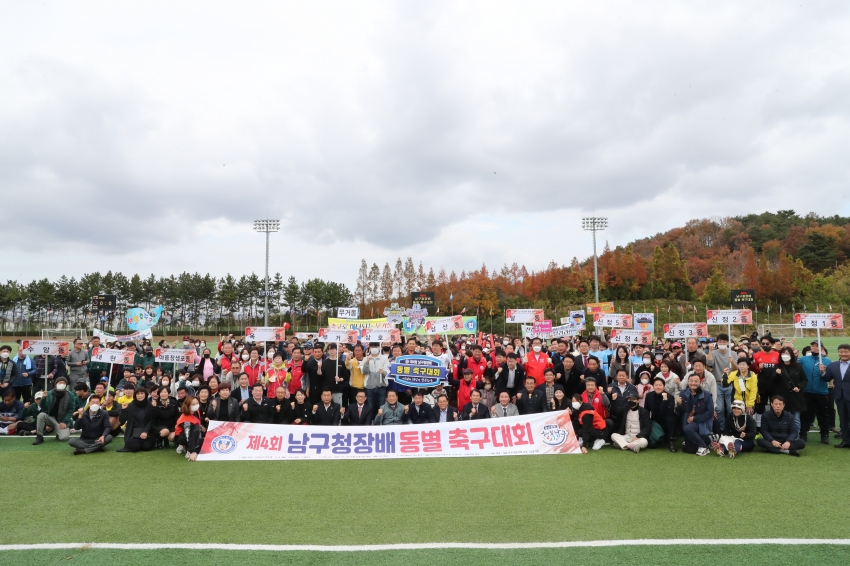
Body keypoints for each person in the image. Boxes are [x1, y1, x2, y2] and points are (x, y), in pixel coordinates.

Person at [765, 347, 807, 433]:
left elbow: (804, 379)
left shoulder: (798, 366)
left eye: (787, 353)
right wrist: (777, 374)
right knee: (782, 419)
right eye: (783, 353)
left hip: (795, 396)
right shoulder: (777, 367)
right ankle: (783, 436)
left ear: (791, 355)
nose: (785, 355)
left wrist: (798, 387)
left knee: (796, 419)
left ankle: (795, 437)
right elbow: (773, 381)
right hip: (782, 397)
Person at [677, 373, 715, 456]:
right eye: (691, 381)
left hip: (702, 421)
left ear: (700, 382)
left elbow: (709, 413)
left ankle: (704, 446)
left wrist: (695, 418)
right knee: (689, 449)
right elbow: (681, 411)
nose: (693, 383)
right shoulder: (683, 393)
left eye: (696, 381)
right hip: (688, 420)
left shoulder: (707, 395)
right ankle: (707, 440)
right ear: (688, 382)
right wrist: (679, 404)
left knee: (687, 429)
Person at [32, 377, 75, 445]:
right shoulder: (49, 393)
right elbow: (43, 407)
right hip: (51, 418)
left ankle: (58, 432)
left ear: (66, 385)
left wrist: (64, 422)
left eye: (64, 383)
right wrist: (43, 398)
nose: (62, 384)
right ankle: (39, 436)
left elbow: (71, 409)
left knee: (64, 438)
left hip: (62, 420)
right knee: (41, 415)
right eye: (60, 382)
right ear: (55, 384)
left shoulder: (70, 395)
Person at [824, 343, 850, 448]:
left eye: (846, 352)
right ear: (838, 352)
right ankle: (846, 441)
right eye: (841, 352)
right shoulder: (833, 365)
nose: (843, 354)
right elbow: (827, 378)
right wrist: (822, 372)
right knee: (843, 420)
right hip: (839, 397)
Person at [706, 334, 735, 428]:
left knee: (731, 408)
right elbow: (709, 363)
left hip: (730, 384)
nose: (722, 343)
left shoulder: (733, 353)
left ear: (727, 342)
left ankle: (731, 426)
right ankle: (722, 427)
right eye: (720, 341)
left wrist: (732, 362)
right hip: (717, 384)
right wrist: (710, 351)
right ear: (717, 342)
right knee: (719, 408)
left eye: (724, 341)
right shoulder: (714, 353)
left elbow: (736, 369)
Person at [643, 377, 677, 451]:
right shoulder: (649, 396)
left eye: (660, 385)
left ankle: (671, 441)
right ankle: (660, 438)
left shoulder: (670, 397)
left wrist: (665, 400)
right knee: (651, 445)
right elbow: (646, 411)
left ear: (664, 386)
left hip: (667, 424)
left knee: (671, 418)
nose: (658, 387)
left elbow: (670, 412)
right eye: (656, 385)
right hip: (655, 423)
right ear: (653, 386)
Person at [117, 387, 155, 452]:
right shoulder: (131, 405)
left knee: (147, 447)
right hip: (132, 433)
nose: (139, 395)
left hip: (147, 432)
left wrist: (145, 432)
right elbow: (122, 420)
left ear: (145, 394)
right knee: (135, 447)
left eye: (141, 393)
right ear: (135, 395)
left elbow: (152, 420)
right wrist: (123, 410)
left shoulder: (150, 405)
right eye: (137, 394)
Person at [175, 396, 203, 461]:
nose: (196, 405)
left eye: (197, 403)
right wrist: (191, 451)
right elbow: (188, 435)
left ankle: (184, 446)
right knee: (195, 429)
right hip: (182, 437)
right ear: (188, 405)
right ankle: (187, 449)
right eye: (193, 404)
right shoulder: (186, 420)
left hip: (193, 432)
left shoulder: (196, 411)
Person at [363, 343, 389, 411]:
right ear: (370, 348)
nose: (374, 348)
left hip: (381, 387)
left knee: (381, 407)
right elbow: (364, 372)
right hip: (369, 387)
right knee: (370, 407)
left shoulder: (384, 358)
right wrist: (367, 362)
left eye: (376, 346)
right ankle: (370, 421)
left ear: (379, 347)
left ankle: (380, 421)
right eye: (372, 346)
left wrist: (383, 372)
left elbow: (388, 372)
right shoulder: (366, 358)